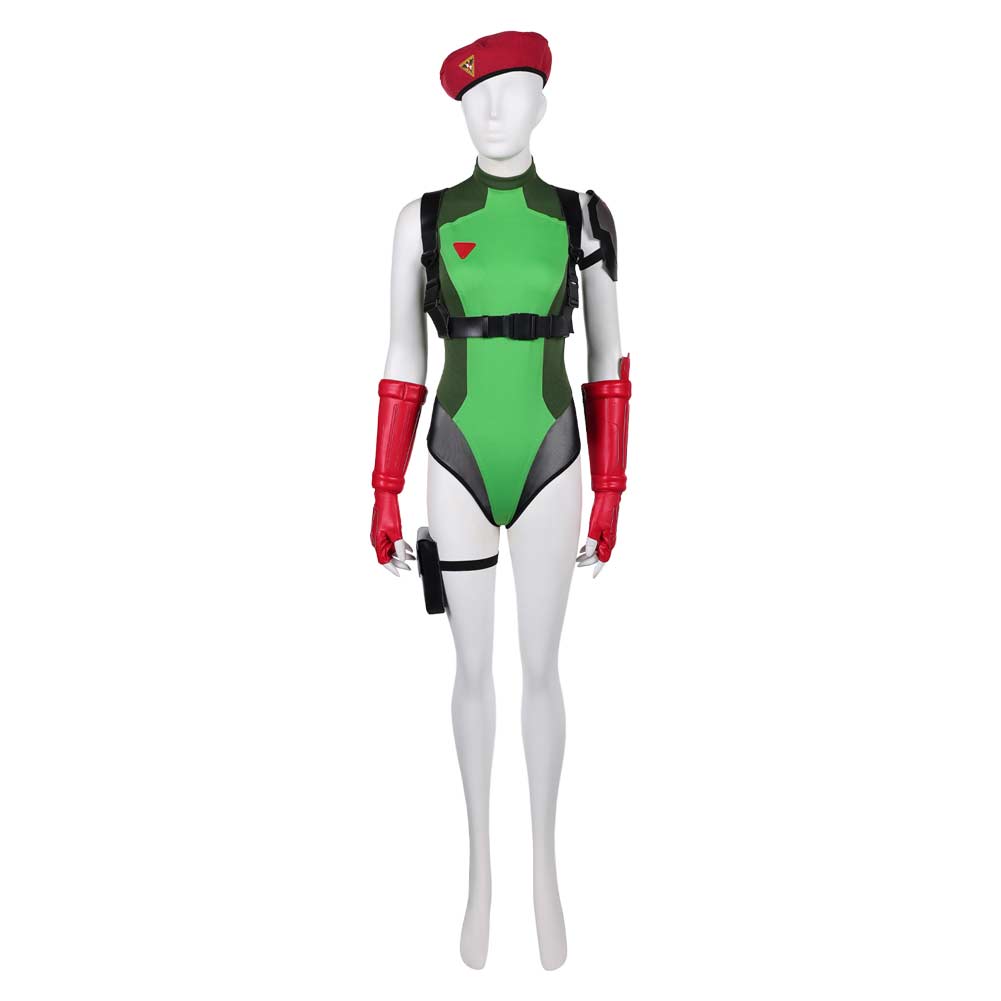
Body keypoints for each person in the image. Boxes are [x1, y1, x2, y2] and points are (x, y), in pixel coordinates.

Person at [369, 30, 631, 970]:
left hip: (554, 457)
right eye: (474, 96)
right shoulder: (423, 220)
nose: (491, 110)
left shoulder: (582, 216)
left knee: (542, 670)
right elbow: (403, 357)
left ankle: (544, 870)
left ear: (542, 104)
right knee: (472, 672)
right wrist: (382, 488)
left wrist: (611, 490)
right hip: (457, 458)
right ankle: (480, 869)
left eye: (512, 91)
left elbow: (609, 358)